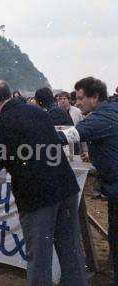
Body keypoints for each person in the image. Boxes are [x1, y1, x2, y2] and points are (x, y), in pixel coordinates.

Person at [0, 80, 87, 286]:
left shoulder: (2, 126)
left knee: (39, 258)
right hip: (66, 187)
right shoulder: (38, 112)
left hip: (37, 197)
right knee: (71, 252)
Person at [58, 77, 118, 284]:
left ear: (95, 97)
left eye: (81, 98)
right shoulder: (110, 111)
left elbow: (68, 136)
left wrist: (36, 136)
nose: (77, 103)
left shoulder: (101, 118)